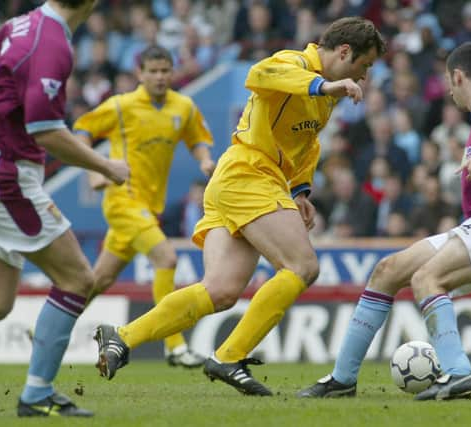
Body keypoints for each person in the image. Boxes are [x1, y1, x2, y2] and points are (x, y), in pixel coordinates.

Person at [93, 17, 386, 396]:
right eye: (363, 66)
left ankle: (122, 337)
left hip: (238, 180)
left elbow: (305, 144)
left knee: (221, 290)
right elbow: (260, 73)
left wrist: (300, 191)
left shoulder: (325, 97)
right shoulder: (295, 63)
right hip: (249, 173)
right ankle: (230, 355)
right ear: (344, 52)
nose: (363, 77)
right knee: (302, 266)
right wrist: (325, 84)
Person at [298, 41, 471, 400]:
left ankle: (458, 373)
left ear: (457, 76)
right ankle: (342, 379)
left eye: (449, 82)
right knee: (387, 270)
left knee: (427, 278)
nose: (449, 91)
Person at [0, 0, 129, 417]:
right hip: (7, 175)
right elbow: (46, 129)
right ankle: (37, 394)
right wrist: (105, 165)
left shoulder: (19, 25)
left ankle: (38, 393)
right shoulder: (53, 40)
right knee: (78, 278)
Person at [74, 45, 214, 368]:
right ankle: (175, 346)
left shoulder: (184, 107)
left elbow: (198, 139)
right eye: (153, 71)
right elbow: (81, 130)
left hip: (149, 208)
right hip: (122, 201)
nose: (160, 77)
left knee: (97, 281)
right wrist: (95, 166)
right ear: (140, 73)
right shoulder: (121, 106)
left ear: (173, 72)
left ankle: (45, 328)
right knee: (166, 258)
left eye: (166, 70)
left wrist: (205, 159)